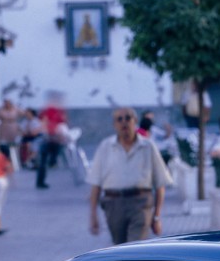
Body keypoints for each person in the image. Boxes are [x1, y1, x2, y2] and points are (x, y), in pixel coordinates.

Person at [87, 106, 173, 244]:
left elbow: (160, 183)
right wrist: (93, 215)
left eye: (128, 118)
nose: (124, 122)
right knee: (119, 250)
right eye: (119, 119)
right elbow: (96, 184)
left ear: (135, 121)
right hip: (113, 205)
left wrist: (156, 217)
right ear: (114, 124)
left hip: (140, 204)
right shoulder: (106, 147)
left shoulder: (148, 146)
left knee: (135, 248)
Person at [36, 92, 67, 189]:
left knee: (47, 157)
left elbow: (62, 122)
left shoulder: (59, 111)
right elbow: (42, 120)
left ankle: (52, 162)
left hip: (54, 137)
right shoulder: (48, 110)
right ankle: (41, 181)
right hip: (47, 137)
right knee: (43, 161)